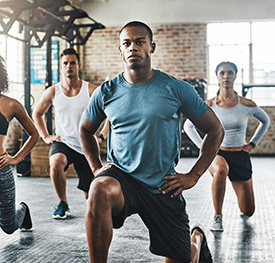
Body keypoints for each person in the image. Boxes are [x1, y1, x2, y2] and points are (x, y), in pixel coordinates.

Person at [80, 21, 224, 263]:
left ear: (152, 47)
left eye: (139, 42)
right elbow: (85, 130)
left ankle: (196, 238)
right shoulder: (107, 91)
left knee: (183, 260)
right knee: (98, 189)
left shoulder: (176, 89)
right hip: (122, 178)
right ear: (120, 50)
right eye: (126, 43)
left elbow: (215, 129)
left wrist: (194, 175)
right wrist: (96, 168)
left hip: (162, 184)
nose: (132, 48)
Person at [184, 61, 270, 232]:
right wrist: (205, 148)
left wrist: (253, 143)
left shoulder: (246, 104)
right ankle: (218, 216)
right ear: (217, 77)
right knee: (221, 169)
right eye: (222, 73)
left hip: (240, 155)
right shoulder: (209, 105)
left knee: (248, 210)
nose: (226, 76)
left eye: (230, 73)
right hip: (218, 153)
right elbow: (188, 126)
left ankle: (243, 208)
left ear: (235, 76)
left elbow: (265, 120)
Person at [33, 48, 108, 219]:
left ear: (79, 65)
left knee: (92, 199)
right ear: (60, 67)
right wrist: (46, 136)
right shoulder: (53, 91)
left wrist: (102, 135)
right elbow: (37, 113)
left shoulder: (90, 90)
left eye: (72, 63)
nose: (69, 66)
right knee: (56, 163)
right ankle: (62, 203)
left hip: (86, 145)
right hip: (63, 142)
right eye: (65, 63)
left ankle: (91, 206)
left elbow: (111, 112)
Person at [0, 56, 39, 234]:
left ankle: (23, 209)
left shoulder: (10, 105)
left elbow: (34, 134)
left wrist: (17, 158)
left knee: (9, 227)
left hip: (1, 170)